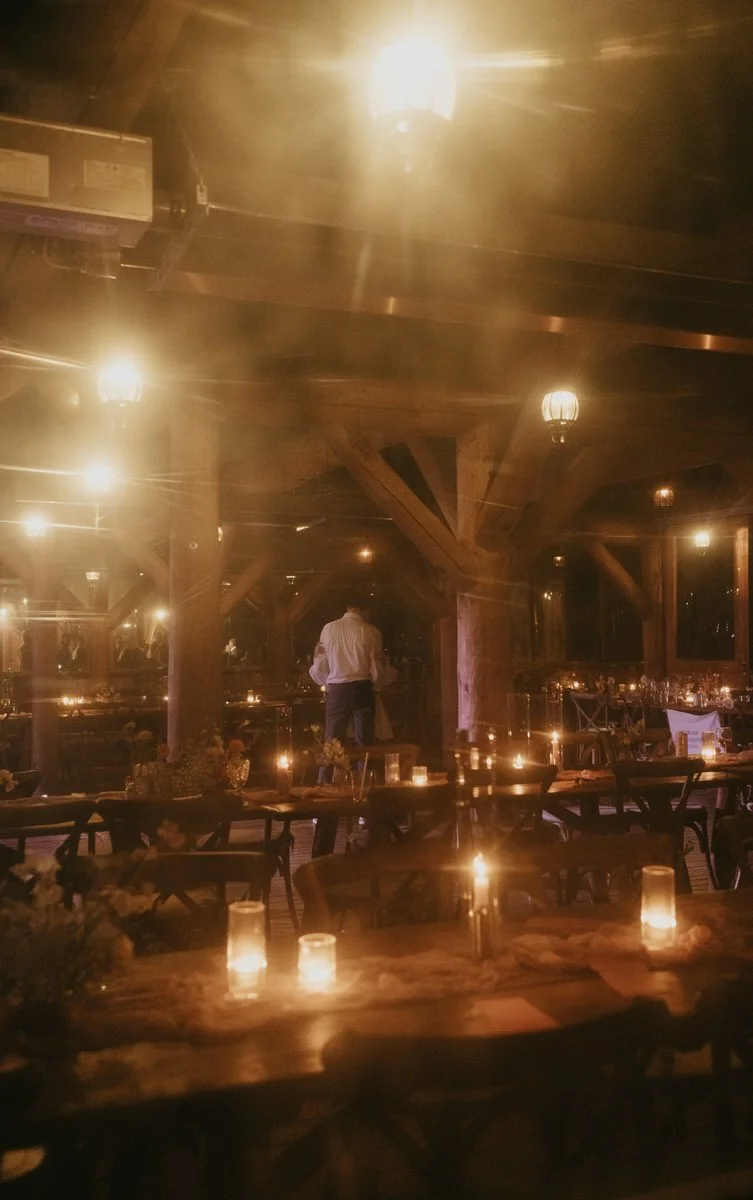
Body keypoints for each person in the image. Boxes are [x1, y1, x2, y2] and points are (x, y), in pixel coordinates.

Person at [309, 593, 386, 855]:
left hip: (338, 687)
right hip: (362, 687)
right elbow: (377, 670)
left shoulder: (329, 629)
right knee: (365, 743)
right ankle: (365, 796)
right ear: (363, 608)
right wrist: (379, 681)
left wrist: (324, 680)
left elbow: (320, 664)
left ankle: (322, 797)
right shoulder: (371, 631)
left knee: (332, 742)